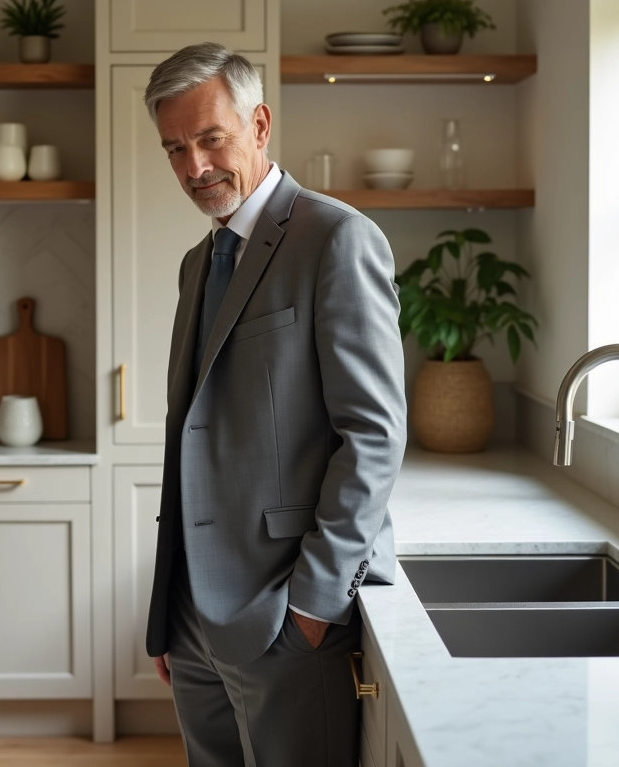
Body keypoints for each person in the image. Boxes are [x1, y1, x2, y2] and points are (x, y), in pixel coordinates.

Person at [143, 42, 407, 767]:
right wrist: (170, 613)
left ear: (259, 125)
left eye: (210, 139)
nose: (193, 167)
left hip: (287, 617)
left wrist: (314, 607)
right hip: (195, 616)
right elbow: (190, 434)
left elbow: (373, 436)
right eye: (174, 148)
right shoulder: (199, 263)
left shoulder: (337, 238)